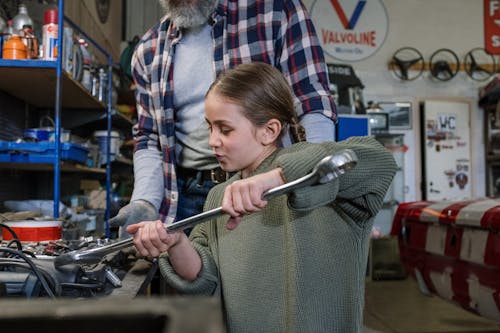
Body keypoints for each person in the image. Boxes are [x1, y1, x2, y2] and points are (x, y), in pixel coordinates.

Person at [127, 62, 397, 332]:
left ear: (269, 131)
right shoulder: (219, 196)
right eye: (210, 127)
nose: (212, 140)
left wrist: (275, 179)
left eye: (225, 129)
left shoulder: (320, 179)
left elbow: (381, 162)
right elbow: (205, 280)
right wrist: (175, 243)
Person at [110, 0, 337, 237]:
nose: (213, 141)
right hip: (184, 197)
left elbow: (312, 102)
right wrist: (145, 201)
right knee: (190, 272)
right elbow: (149, 136)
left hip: (262, 189)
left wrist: (308, 173)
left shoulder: (276, 12)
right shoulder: (148, 51)